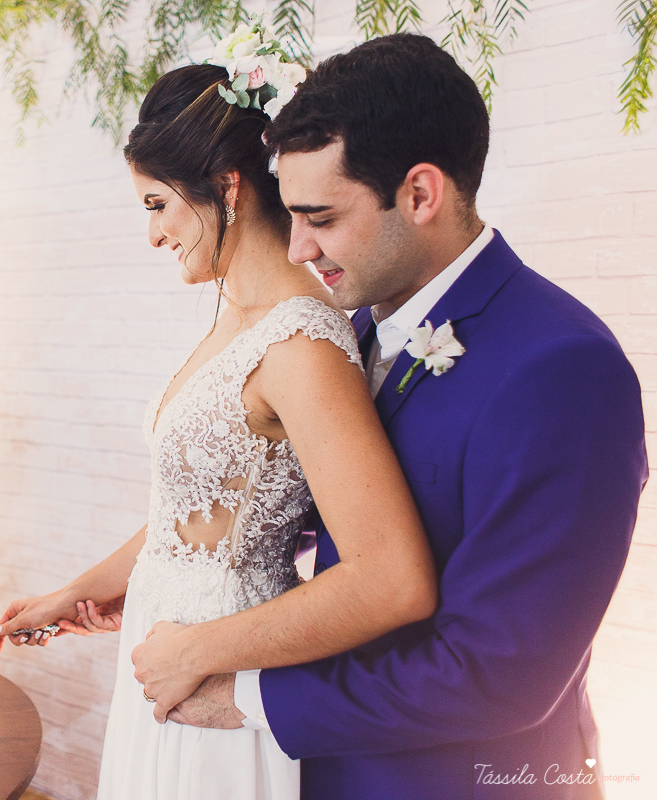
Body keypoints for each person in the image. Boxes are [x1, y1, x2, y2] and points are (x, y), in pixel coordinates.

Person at [127, 33, 648, 799]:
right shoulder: (356, 328)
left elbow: (502, 672)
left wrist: (250, 695)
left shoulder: (565, 369)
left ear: (421, 194)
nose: (298, 245)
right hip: (326, 770)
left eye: (322, 217)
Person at [0, 21, 443, 798]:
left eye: (159, 204)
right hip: (167, 646)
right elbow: (191, 512)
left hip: (222, 662)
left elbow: (393, 575)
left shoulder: (302, 342)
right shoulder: (233, 319)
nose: (154, 233)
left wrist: (201, 650)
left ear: (228, 187)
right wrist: (81, 588)